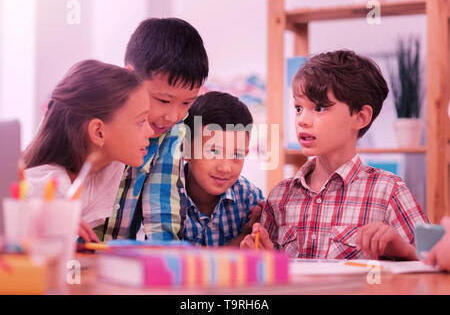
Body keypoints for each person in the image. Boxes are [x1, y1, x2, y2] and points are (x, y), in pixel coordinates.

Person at [240, 50, 429, 260]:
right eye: (299, 108)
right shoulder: (279, 197)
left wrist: (404, 251)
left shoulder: (389, 192)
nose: (302, 120)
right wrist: (262, 257)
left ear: (360, 117)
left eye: (319, 108)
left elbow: (433, 265)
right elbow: (270, 275)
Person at [97, 18, 209, 241]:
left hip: (117, 260)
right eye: (164, 101)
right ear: (129, 77)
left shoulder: (172, 131)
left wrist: (165, 258)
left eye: (187, 103)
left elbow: (161, 210)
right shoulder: (94, 117)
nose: (173, 116)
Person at [23, 59, 153, 243]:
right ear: (98, 132)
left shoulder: (110, 163)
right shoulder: (47, 186)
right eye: (141, 121)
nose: (151, 131)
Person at [181, 91, 264, 246]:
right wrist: (240, 240)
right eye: (213, 151)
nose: (225, 168)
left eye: (236, 154)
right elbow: (171, 260)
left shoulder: (251, 200)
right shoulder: (167, 195)